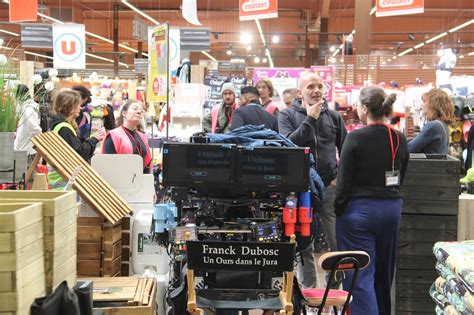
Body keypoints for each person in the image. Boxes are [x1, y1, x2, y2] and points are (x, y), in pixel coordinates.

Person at [334, 86, 409, 315]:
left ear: (365, 108)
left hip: (359, 212)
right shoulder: (399, 137)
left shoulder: (355, 137)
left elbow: (343, 181)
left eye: (358, 104)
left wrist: (339, 209)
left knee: (359, 274)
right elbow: (401, 175)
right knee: (384, 272)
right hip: (391, 209)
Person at [278, 73, 347, 288]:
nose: (316, 90)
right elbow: (289, 144)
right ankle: (307, 290)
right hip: (299, 188)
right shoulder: (287, 115)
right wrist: (310, 119)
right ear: (300, 93)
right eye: (310, 86)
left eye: (319, 86)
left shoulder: (334, 116)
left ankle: (333, 290)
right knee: (303, 242)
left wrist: (339, 178)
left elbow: (346, 150)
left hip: (328, 186)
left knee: (334, 240)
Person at [50, 90, 105, 162]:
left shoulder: (59, 124)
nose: (80, 108)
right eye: (78, 105)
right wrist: (94, 139)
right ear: (70, 107)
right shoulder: (64, 128)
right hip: (64, 172)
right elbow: (79, 153)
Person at [102, 100, 152, 174]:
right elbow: (108, 165)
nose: (139, 112)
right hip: (119, 181)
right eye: (135, 109)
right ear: (124, 113)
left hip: (141, 181)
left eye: (141, 111)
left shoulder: (143, 137)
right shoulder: (113, 135)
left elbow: (148, 164)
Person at [408, 88, 454, 154]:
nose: (422, 105)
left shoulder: (434, 125)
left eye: (424, 101)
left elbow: (410, 148)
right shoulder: (442, 124)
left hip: (429, 164)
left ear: (433, 104)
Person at [13, 84, 42, 159]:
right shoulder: (26, 108)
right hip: (24, 149)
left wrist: (38, 145)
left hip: (27, 152)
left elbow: (35, 129)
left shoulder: (28, 109)